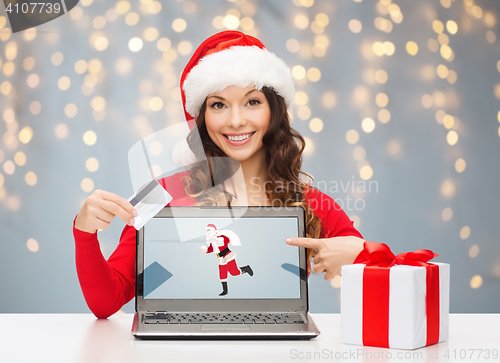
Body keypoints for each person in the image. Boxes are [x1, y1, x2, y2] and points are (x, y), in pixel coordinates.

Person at [73, 30, 366, 319]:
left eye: (252, 101)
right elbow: (106, 301)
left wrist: (360, 254)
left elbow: (381, 275)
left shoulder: (308, 200)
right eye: (218, 105)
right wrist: (85, 232)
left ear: (273, 111)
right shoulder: (159, 194)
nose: (236, 121)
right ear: (202, 117)